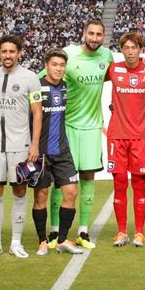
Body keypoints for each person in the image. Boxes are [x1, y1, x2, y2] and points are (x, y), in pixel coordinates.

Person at [0, 35, 42, 260]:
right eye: (4, 51)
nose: (8, 55)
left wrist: (34, 144)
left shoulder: (30, 78)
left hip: (20, 145)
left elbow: (37, 113)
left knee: (19, 190)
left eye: (12, 51)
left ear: (19, 53)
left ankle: (16, 242)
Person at [56, 20, 115, 248]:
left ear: (103, 37)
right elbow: (44, 76)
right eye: (91, 33)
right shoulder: (69, 54)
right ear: (84, 33)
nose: (94, 38)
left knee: (88, 179)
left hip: (92, 127)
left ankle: (83, 231)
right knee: (61, 181)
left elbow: (111, 77)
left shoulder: (106, 56)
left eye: (99, 34)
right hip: (67, 126)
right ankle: (55, 232)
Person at [106, 31, 145, 247]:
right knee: (119, 184)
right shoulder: (113, 69)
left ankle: (139, 233)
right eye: (126, 48)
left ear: (140, 49)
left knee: (139, 184)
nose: (130, 52)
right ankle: (121, 232)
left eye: (134, 48)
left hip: (140, 138)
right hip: (116, 137)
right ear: (121, 50)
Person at [34, 50, 84, 255]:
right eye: (54, 64)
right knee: (41, 196)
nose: (58, 68)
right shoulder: (36, 87)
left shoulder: (64, 86)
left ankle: (62, 240)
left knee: (71, 192)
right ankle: (42, 241)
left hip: (62, 151)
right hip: (42, 152)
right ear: (46, 66)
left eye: (62, 65)